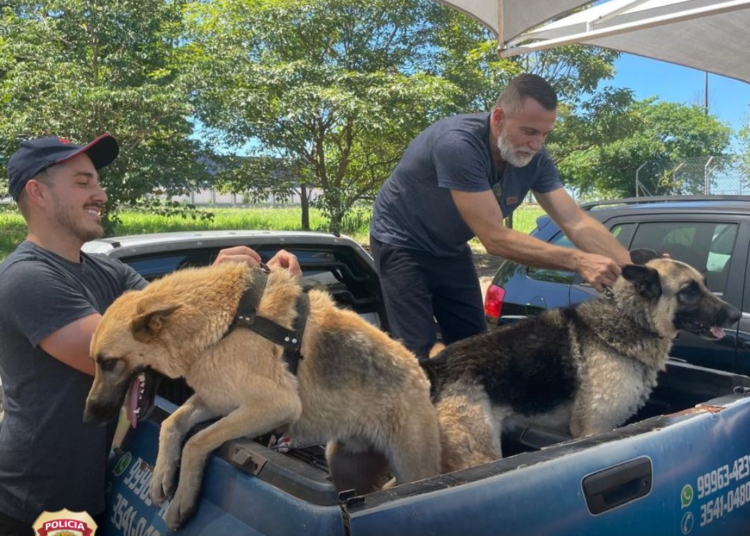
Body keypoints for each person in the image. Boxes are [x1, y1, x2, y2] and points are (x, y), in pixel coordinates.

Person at [0, 134, 302, 535]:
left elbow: (172, 319)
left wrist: (250, 284)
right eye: (83, 182)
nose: (101, 194)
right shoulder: (28, 279)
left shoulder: (108, 273)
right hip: (39, 499)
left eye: (97, 182)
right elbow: (137, 354)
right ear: (37, 193)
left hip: (90, 484)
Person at [370, 73, 631, 361]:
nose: (537, 145)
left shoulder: (536, 159)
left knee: (476, 350)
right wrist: (578, 260)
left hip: (451, 248)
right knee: (415, 353)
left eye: (545, 134)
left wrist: (635, 271)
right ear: (498, 118)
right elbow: (494, 238)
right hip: (402, 242)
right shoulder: (457, 145)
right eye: (529, 131)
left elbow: (575, 220)